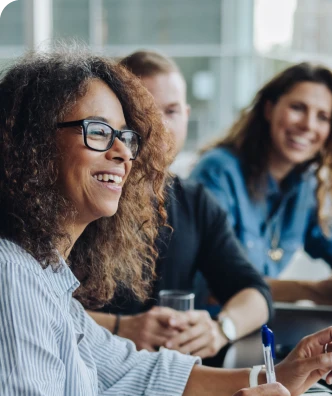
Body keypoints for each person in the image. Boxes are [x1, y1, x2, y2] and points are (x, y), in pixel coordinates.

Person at [0, 48, 332, 396]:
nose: (122, 154)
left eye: (125, 137)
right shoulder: (9, 276)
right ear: (28, 146)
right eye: (97, 132)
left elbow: (128, 370)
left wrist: (272, 377)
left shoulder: (44, 270)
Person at [85, 50, 270, 360]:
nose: (158, 126)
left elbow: (255, 293)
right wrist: (120, 327)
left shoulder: (195, 202)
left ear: (186, 115)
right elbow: (35, 306)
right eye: (143, 113)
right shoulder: (87, 196)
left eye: (170, 111)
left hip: (174, 384)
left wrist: (221, 328)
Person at [190, 62, 332, 307]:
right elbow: (216, 286)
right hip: (210, 330)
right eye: (298, 108)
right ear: (268, 109)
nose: (308, 125)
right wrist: (312, 291)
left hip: (260, 326)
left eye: (322, 117)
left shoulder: (306, 184)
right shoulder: (219, 172)